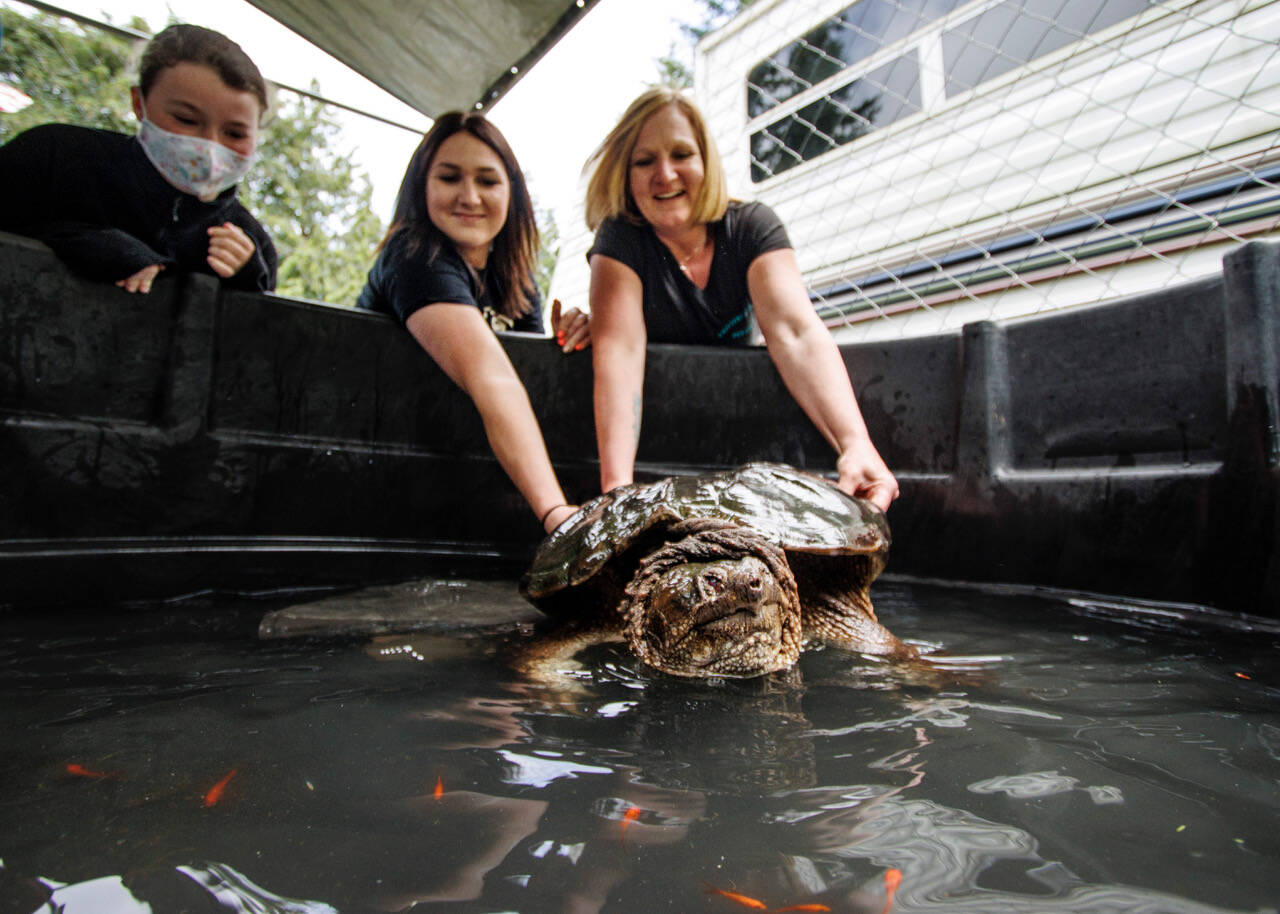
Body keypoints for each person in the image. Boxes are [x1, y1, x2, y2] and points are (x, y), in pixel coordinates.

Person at [583, 87, 899, 511]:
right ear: (625, 174)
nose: (665, 174)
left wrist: (855, 443)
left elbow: (795, 332)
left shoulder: (752, 227)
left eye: (681, 154)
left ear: (706, 161)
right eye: (644, 161)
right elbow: (619, 353)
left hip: (745, 447)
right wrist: (617, 488)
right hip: (661, 443)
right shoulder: (620, 238)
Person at [356, 112, 587, 533]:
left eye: (487, 181)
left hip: (467, 488)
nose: (469, 196)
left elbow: (524, 386)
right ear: (422, 186)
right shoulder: (413, 256)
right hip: (385, 483)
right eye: (449, 178)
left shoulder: (518, 283)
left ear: (511, 193)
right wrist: (555, 512)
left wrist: (569, 338)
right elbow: (492, 378)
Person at [0, 24, 276, 293]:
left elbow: (257, 320)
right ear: (139, 104)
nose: (209, 146)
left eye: (235, 133)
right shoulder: (53, 157)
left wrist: (248, 284)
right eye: (186, 119)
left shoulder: (252, 243)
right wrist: (83, 243)